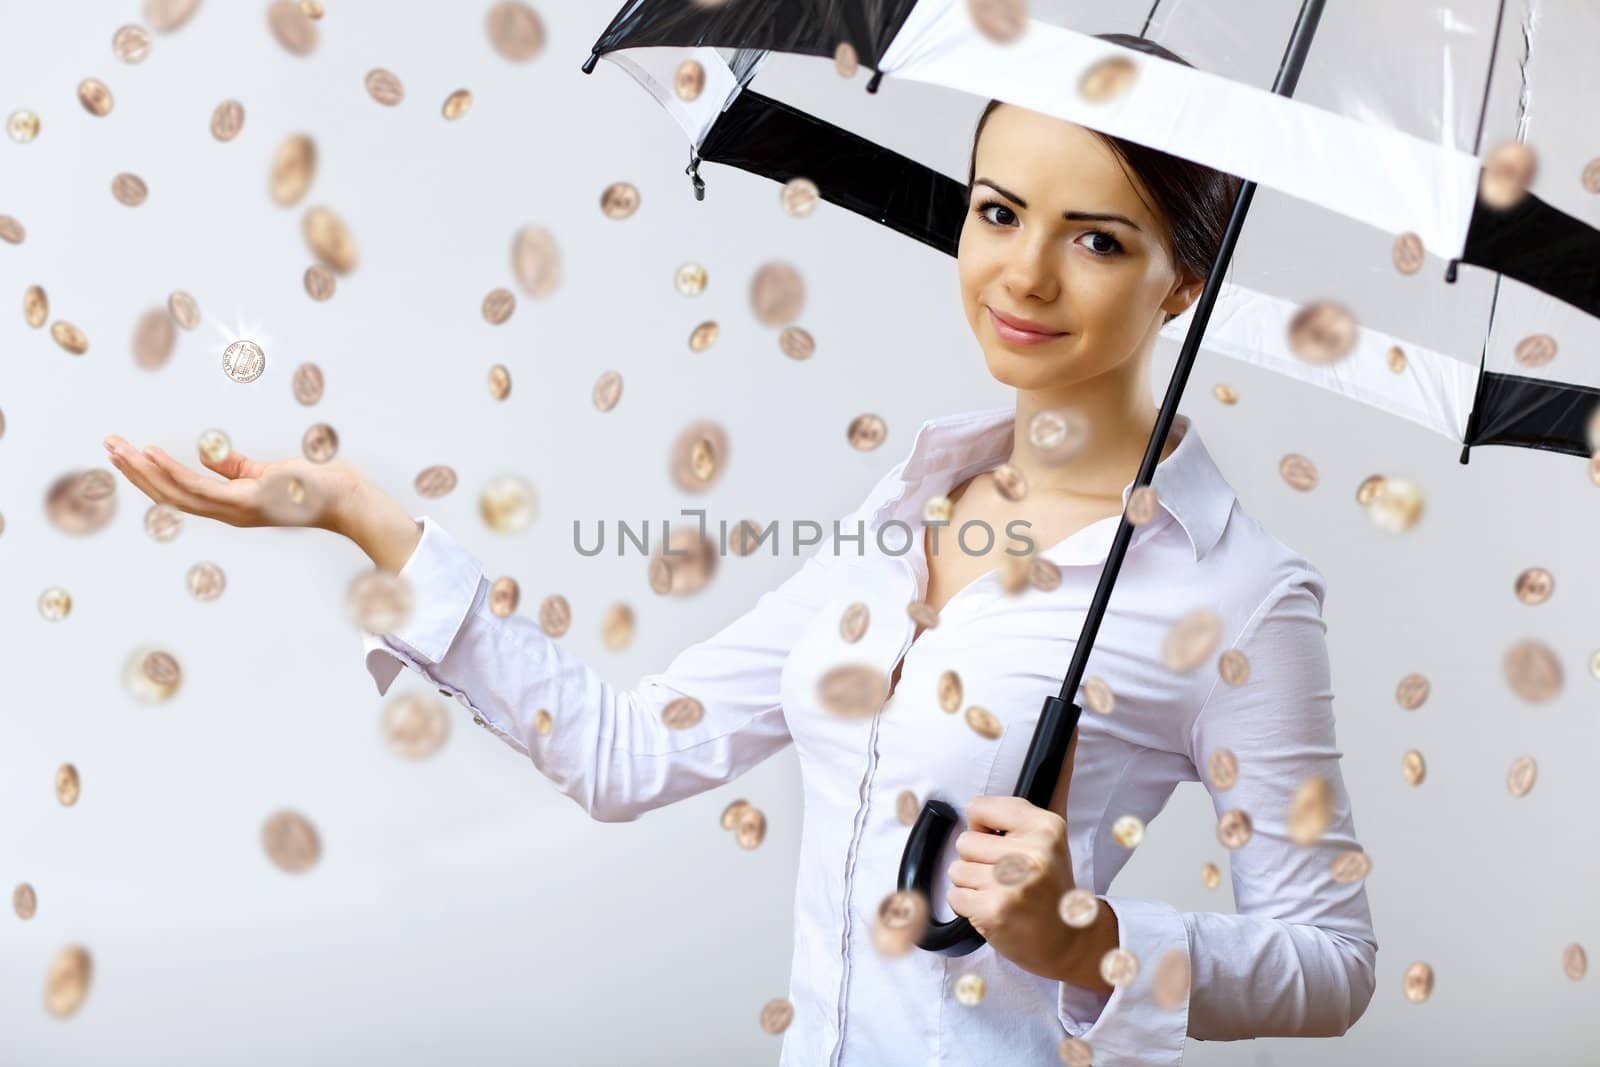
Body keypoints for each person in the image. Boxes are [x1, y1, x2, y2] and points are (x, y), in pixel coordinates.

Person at [103, 33, 1375, 1067]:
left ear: (1179, 283)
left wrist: (1084, 935)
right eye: (997, 211)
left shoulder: (1238, 592)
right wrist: (361, 518)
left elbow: (1331, 963)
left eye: (1098, 238)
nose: (1024, 273)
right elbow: (630, 751)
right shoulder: (906, 509)